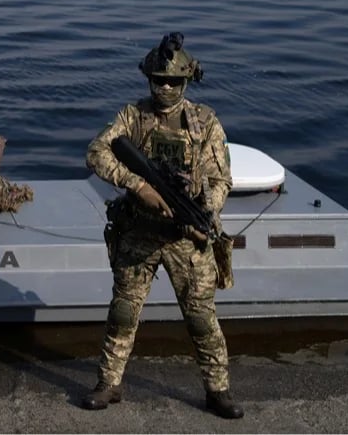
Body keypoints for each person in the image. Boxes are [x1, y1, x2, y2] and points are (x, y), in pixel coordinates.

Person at [80, 32, 244, 419]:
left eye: (173, 82)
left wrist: (206, 208)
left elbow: (222, 180)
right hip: (139, 233)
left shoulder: (205, 122)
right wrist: (137, 185)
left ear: (185, 82)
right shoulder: (133, 117)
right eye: (159, 80)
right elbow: (96, 152)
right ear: (149, 80)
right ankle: (108, 383)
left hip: (186, 238)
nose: (166, 88)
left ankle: (217, 390)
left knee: (202, 319)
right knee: (123, 313)